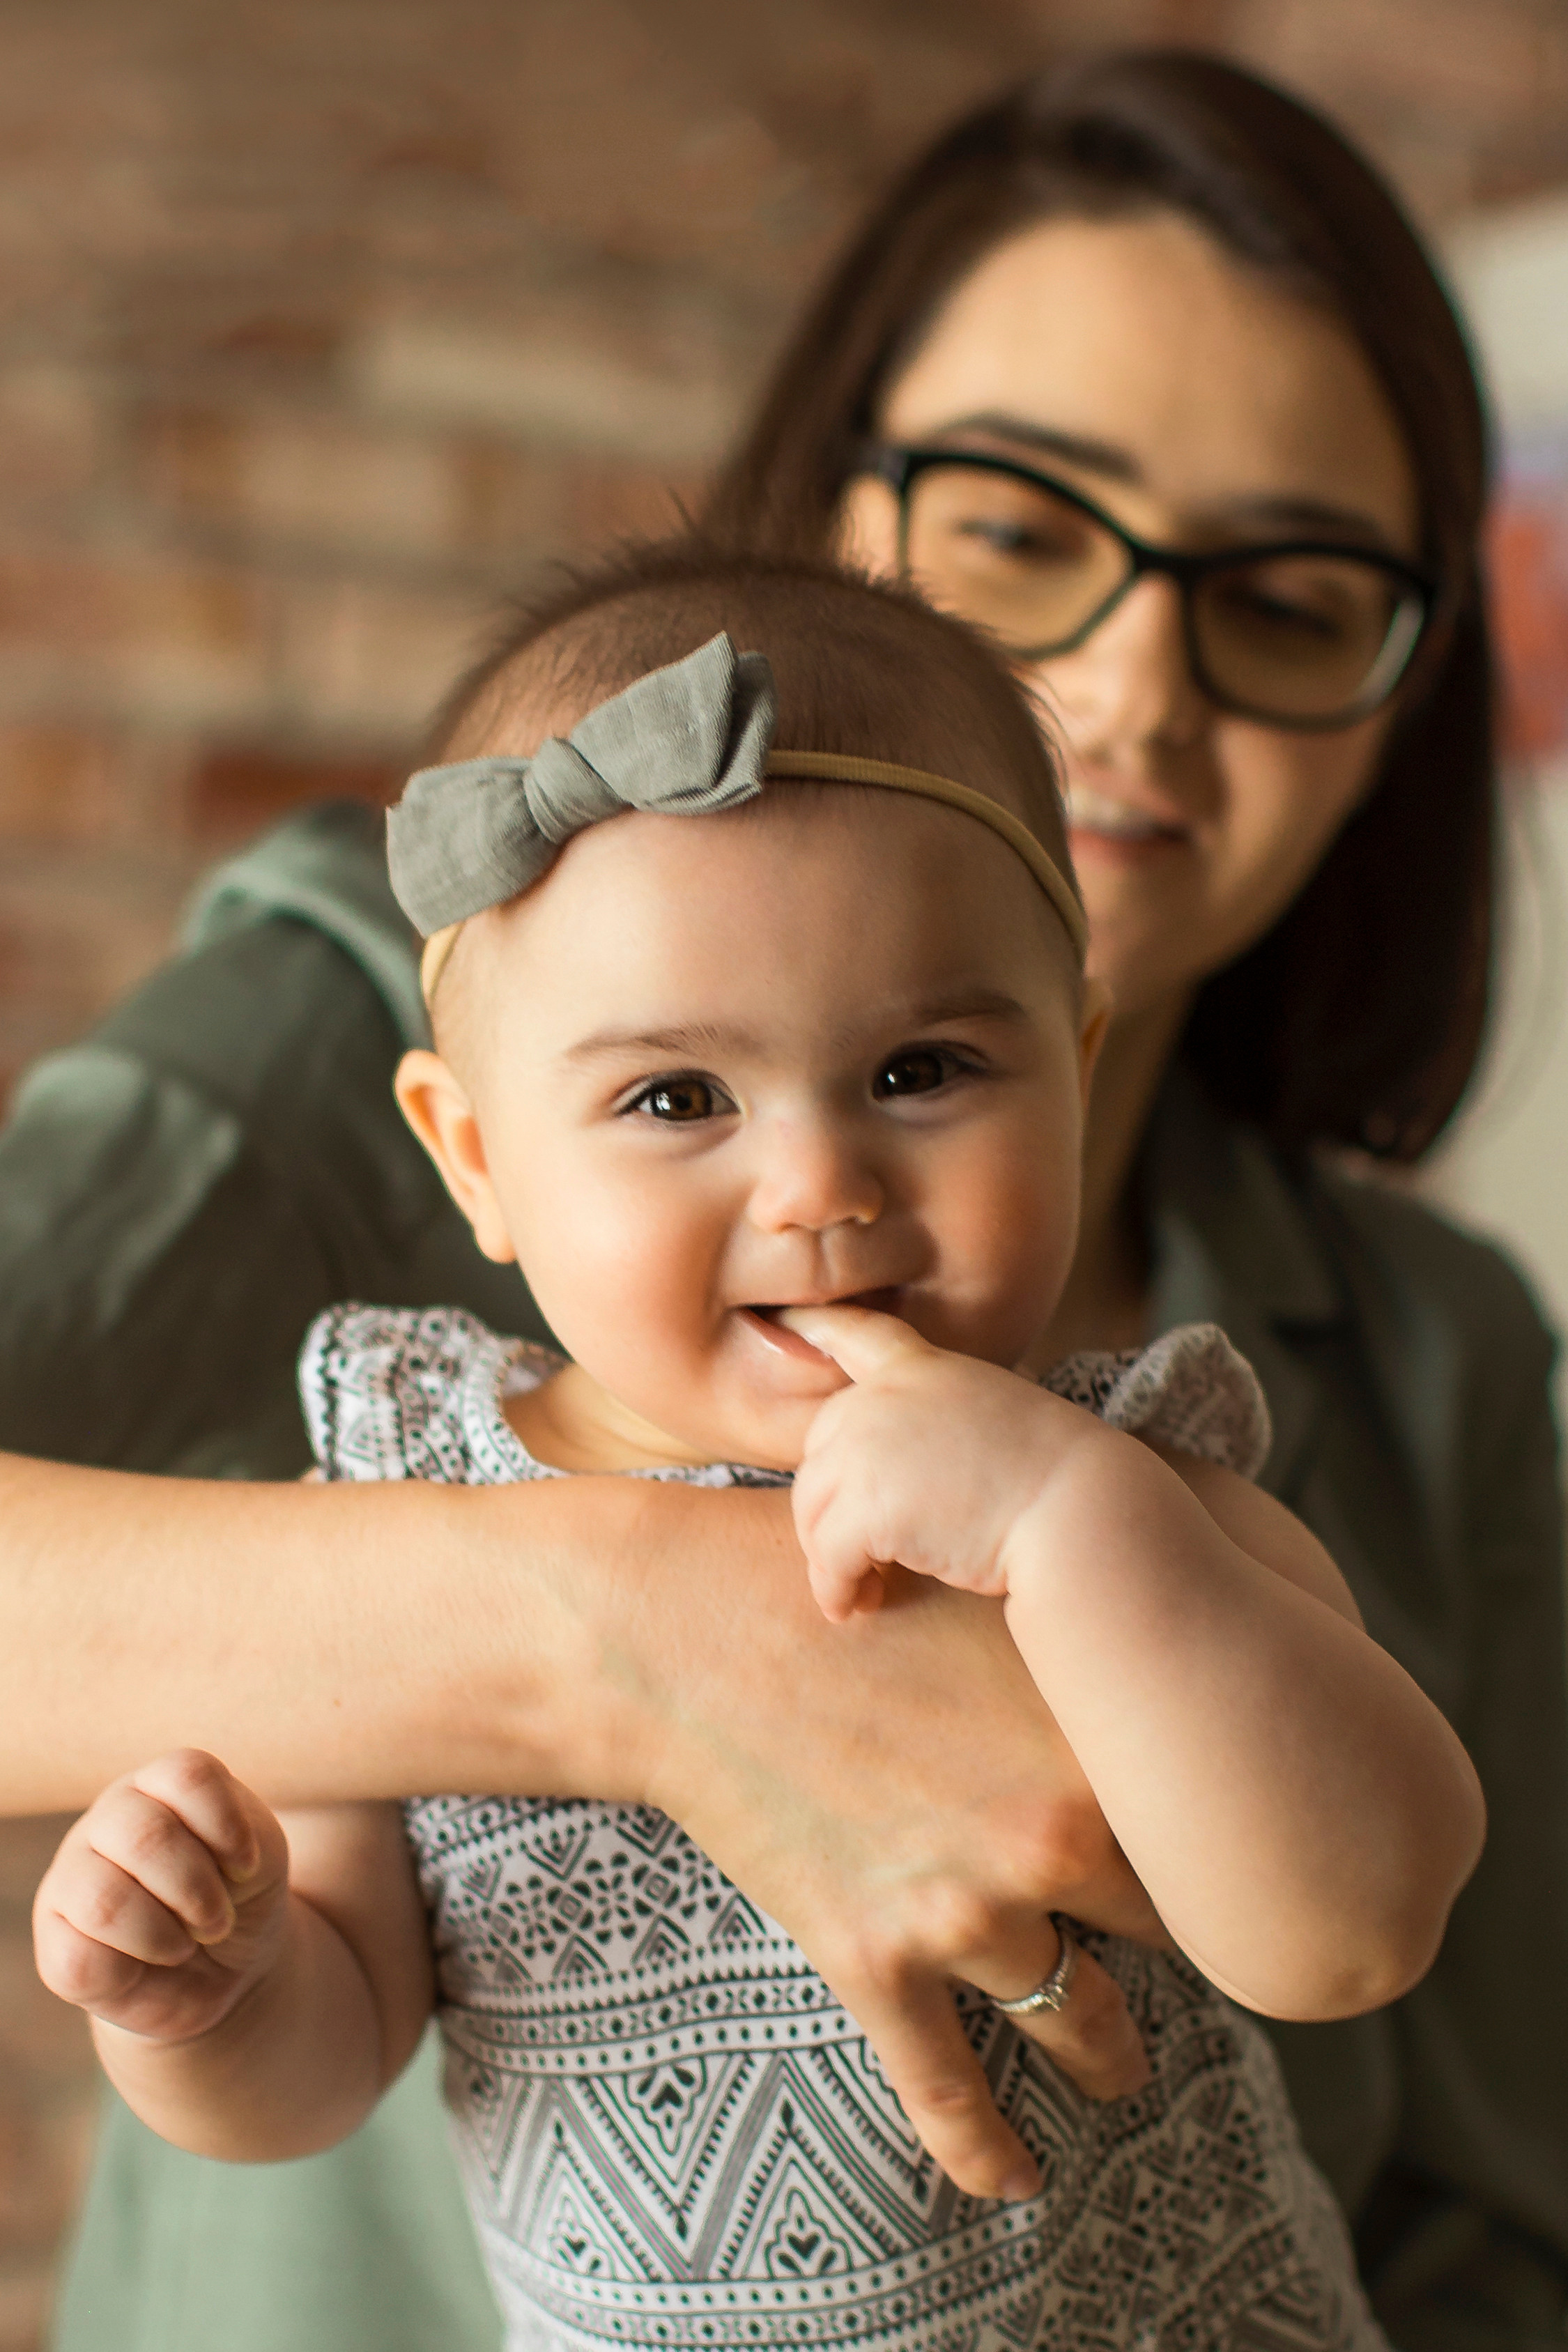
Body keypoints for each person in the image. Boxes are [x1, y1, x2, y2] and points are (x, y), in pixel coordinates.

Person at [0, 45, 1560, 2352]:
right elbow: (318, 2047)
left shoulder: (1158, 1448)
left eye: (921, 1071)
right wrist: (203, 1985)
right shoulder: (405, 1400)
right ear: (467, 1151)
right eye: (1026, 526)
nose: (1134, 685)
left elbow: (1370, 1954)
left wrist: (1075, 1525)